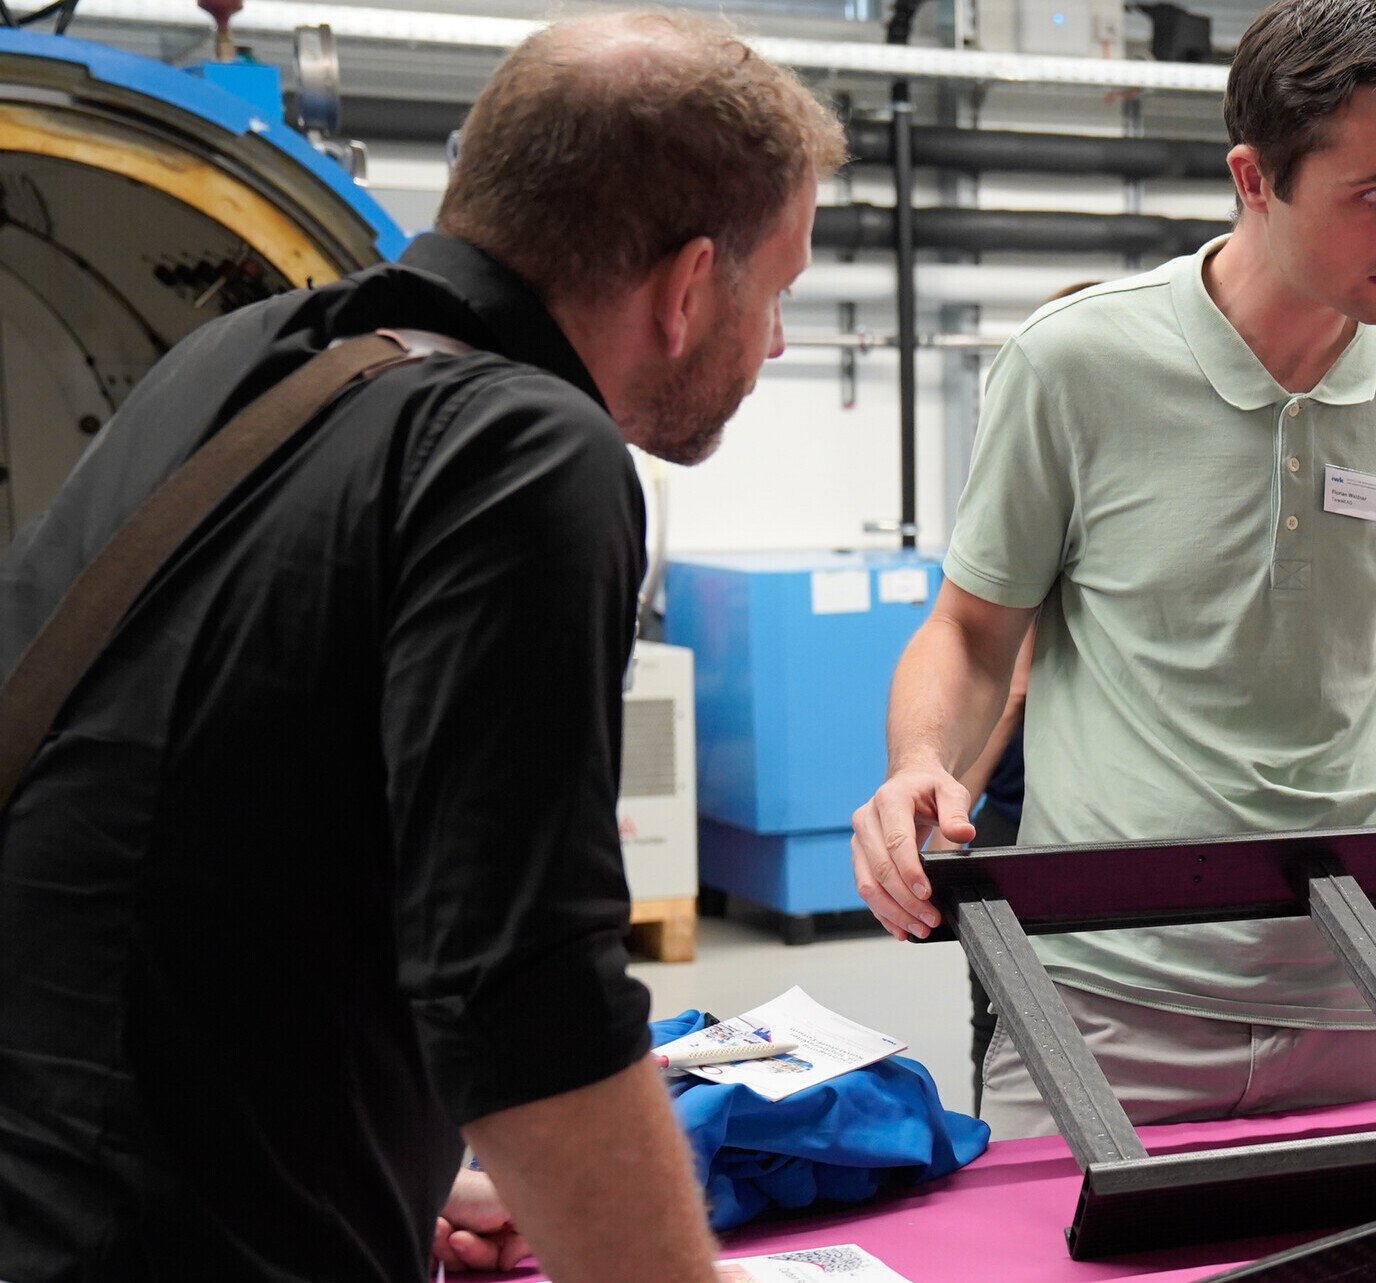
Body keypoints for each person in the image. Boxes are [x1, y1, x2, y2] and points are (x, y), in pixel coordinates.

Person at [0, 13, 842, 1282]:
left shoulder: (248, 362)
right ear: (685, 289)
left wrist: (389, 1154)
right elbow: (525, 997)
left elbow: (192, 839)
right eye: (775, 291)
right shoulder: (524, 450)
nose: (774, 340)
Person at [850, 0, 1376, 1141]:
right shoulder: (1076, 365)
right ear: (1254, 179)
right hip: (1109, 993)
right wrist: (919, 763)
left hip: (1365, 985)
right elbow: (971, 631)